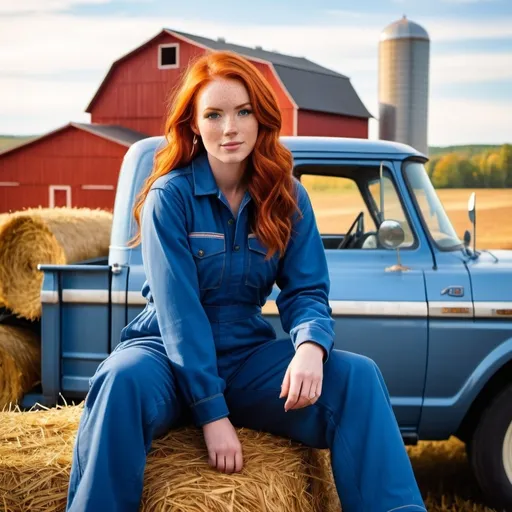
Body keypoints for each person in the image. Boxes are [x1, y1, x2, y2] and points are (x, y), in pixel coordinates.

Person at [66, 50, 426, 512]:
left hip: (247, 354)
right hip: (166, 355)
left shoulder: (288, 197)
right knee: (119, 379)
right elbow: (180, 315)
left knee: (358, 377)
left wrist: (310, 349)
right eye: (213, 115)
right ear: (194, 125)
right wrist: (213, 415)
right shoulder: (168, 197)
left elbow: (307, 290)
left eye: (242, 112)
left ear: (261, 118)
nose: (229, 128)